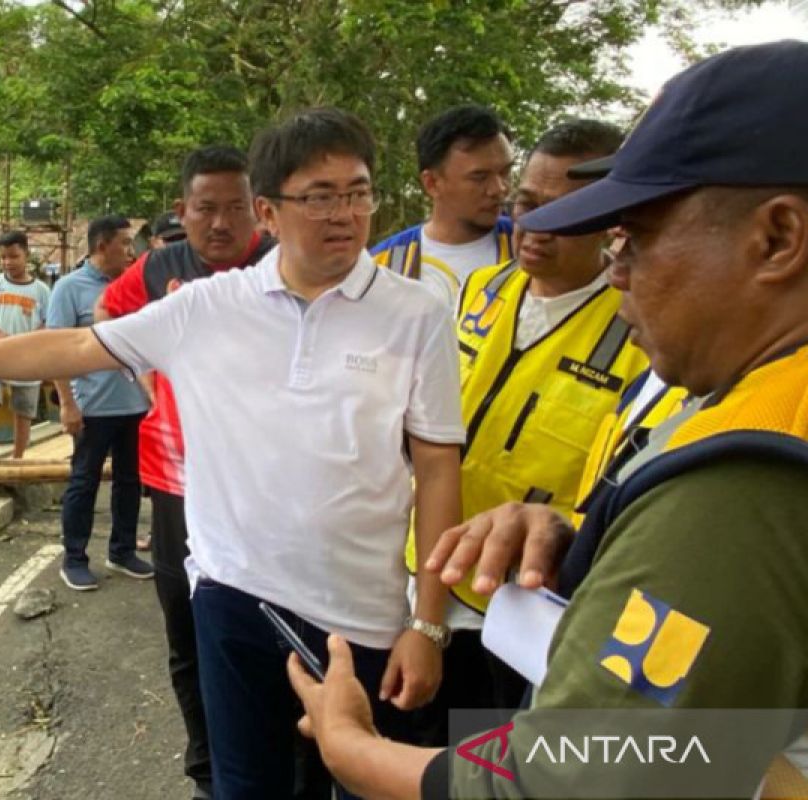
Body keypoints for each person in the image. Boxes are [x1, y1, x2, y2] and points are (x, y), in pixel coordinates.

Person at [0, 107, 465, 800]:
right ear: (269, 211)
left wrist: (427, 622)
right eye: (319, 196)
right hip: (234, 596)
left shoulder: (416, 312)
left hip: (362, 611)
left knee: (364, 784)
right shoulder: (208, 307)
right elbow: (73, 348)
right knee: (244, 787)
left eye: (358, 192)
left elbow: (436, 468)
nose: (344, 213)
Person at [289, 40, 808, 800]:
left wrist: (352, 747)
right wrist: (585, 536)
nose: (618, 265)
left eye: (641, 234)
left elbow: (576, 779)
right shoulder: (493, 296)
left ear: (777, 238)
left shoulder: (749, 471)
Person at [399, 119, 651, 745]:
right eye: (528, 205)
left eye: (565, 211)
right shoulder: (481, 291)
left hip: (520, 616)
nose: (535, 228)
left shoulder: (638, 338)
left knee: (487, 767)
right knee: (405, 757)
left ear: (610, 219)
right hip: (420, 578)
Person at [95, 145, 276, 800]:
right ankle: (207, 771)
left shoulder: (283, 265)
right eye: (207, 208)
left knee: (269, 634)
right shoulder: (159, 266)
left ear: (260, 209)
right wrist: (141, 371)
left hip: (265, 486)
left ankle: (281, 765)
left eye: (236, 208)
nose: (222, 223)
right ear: (182, 211)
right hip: (173, 484)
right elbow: (107, 316)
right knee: (186, 632)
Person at [47, 215, 154, 591]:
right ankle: (74, 558)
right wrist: (67, 404)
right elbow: (57, 348)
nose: (130, 251)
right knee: (84, 482)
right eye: (124, 243)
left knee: (130, 481)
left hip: (136, 404)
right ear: (101, 246)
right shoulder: (69, 288)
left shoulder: (134, 285)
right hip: (92, 407)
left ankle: (122, 551)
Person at [370, 106, 515, 306]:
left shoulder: (530, 249)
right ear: (432, 183)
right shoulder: (383, 266)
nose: (499, 188)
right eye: (479, 177)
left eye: (505, 172)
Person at [0, 231, 51, 461]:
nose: (8, 262)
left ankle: (18, 456)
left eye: (14, 256)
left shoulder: (41, 291)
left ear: (26, 255)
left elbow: (50, 321)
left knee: (24, 407)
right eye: (3, 257)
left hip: (27, 356)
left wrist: (28, 341)